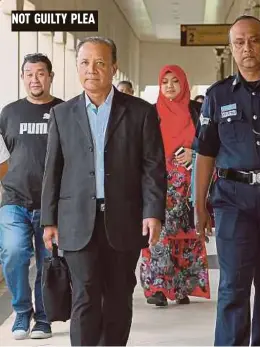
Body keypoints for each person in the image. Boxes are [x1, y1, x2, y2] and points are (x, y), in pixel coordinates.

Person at [41, 36, 167, 346]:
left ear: (114, 67)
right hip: (76, 219)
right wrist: (49, 219)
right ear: (77, 67)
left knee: (118, 295)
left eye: (100, 63)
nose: (91, 70)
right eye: (84, 63)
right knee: (84, 294)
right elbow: (52, 170)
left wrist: (153, 212)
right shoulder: (62, 114)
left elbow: (153, 166)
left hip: (124, 218)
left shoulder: (140, 112)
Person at [194, 15, 260, 346]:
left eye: (253, 40)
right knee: (233, 283)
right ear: (231, 49)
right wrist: (199, 205)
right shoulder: (218, 95)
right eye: (239, 42)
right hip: (232, 198)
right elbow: (204, 153)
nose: (247, 48)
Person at [0, 53, 63, 340]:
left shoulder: (65, 111)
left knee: (48, 261)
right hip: (14, 200)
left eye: (40, 73)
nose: (34, 79)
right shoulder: (9, 113)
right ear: (23, 77)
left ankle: (44, 317)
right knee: (13, 253)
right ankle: (22, 312)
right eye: (28, 73)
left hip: (52, 204)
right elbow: (2, 158)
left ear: (50, 76)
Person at [140, 64, 210, 307]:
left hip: (189, 185)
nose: (170, 86)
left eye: (175, 81)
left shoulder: (197, 111)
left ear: (184, 83)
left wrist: (195, 153)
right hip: (158, 183)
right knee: (156, 234)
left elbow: (211, 142)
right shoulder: (150, 113)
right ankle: (157, 288)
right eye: (165, 81)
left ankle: (180, 288)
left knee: (186, 236)